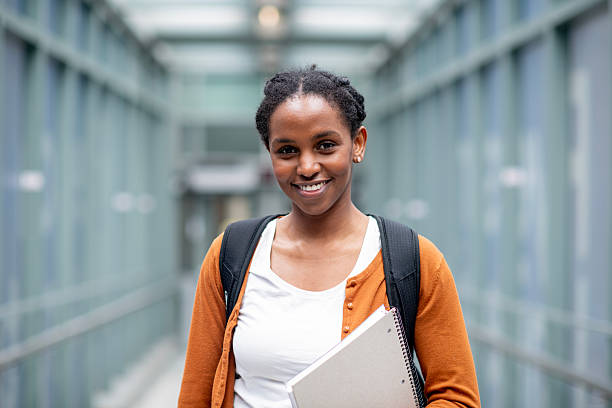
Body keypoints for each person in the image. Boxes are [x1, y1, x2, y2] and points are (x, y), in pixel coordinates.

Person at [178, 66, 481, 408]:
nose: (307, 166)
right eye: (287, 150)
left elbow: (457, 399)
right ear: (270, 154)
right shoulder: (230, 255)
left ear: (358, 144)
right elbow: (195, 395)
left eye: (325, 145)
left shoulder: (414, 261)